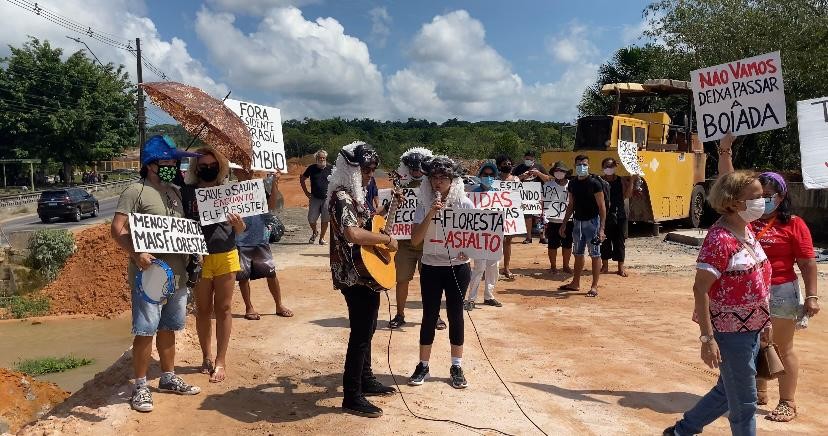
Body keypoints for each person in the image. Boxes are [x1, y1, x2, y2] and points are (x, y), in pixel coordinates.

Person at [717, 133, 820, 423]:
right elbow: (728, 183)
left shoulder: (794, 224)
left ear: (782, 196)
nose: (764, 199)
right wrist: (726, 149)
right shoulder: (745, 220)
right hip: (749, 293)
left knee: (782, 347)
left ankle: (787, 401)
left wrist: (811, 296)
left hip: (781, 291)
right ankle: (759, 388)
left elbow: (808, 263)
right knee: (753, 343)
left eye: (770, 194)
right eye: (760, 194)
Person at [664, 170, 771, 436]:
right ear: (734, 203)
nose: (763, 201)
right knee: (745, 403)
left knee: (728, 390)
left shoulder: (746, 231)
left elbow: (758, 281)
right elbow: (700, 289)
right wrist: (707, 339)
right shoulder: (719, 240)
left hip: (752, 329)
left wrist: (765, 322)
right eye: (757, 197)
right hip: (731, 333)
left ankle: (682, 431)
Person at [110, 135, 202, 413]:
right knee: (145, 330)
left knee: (169, 328)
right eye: (168, 160)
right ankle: (140, 385)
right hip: (148, 276)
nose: (174, 164)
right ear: (151, 165)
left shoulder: (174, 191)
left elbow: (183, 229)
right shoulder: (135, 191)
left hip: (178, 274)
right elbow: (117, 230)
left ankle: (168, 376)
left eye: (175, 161)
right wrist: (136, 254)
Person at [327, 141, 398, 418]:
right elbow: (353, 234)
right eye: (365, 169)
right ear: (350, 169)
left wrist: (386, 210)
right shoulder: (342, 196)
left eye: (372, 169)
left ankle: (365, 378)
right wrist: (387, 239)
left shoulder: (355, 196)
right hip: (353, 274)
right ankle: (352, 395)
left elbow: (365, 222)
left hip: (364, 271)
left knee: (367, 329)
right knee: (360, 334)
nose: (370, 174)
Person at [408, 155, 474, 390]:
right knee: (429, 316)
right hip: (431, 267)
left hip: (457, 268)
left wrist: (469, 251)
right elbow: (415, 240)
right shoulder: (424, 204)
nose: (438, 182)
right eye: (434, 178)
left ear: (452, 180)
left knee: (456, 316)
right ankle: (423, 365)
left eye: (444, 178)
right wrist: (431, 214)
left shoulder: (465, 204)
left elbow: (473, 239)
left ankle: (456, 365)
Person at [182, 147, 246, 383]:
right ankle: (206, 356)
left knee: (225, 309)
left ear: (220, 167)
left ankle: (221, 360)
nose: (208, 169)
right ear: (195, 168)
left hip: (226, 255)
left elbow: (241, 230)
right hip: (199, 258)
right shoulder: (187, 192)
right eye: (203, 166)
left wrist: (238, 224)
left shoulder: (230, 191)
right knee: (203, 310)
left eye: (212, 165)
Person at [386, 148, 448, 330]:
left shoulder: (432, 186)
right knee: (402, 279)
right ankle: (400, 314)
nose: (415, 171)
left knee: (431, 282)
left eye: (418, 168)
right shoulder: (399, 185)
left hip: (428, 240)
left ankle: (434, 315)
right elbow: (390, 210)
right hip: (405, 241)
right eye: (412, 168)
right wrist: (394, 199)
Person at [233, 168, 293, 321]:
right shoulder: (230, 192)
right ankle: (249, 307)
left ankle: (279, 304)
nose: (247, 172)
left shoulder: (258, 188)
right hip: (240, 240)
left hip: (260, 237)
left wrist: (274, 184)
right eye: (242, 170)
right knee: (243, 277)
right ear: (234, 171)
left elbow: (272, 206)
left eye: (249, 170)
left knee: (271, 274)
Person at [558, 155, 606, 297]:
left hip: (593, 222)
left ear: (589, 165)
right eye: (579, 164)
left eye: (584, 164)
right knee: (578, 253)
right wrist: (564, 223)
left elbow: (602, 207)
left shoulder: (595, 183)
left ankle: (594, 286)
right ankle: (575, 283)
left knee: (595, 254)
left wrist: (602, 228)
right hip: (577, 222)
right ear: (575, 165)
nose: (581, 167)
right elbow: (571, 205)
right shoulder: (572, 184)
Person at [465, 162, 502, 310]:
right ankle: (471, 298)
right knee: (479, 267)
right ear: (480, 176)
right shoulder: (472, 194)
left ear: (495, 177)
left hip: (494, 238)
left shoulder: (500, 195)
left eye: (491, 175)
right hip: (478, 238)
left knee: (493, 267)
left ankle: (489, 296)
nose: (488, 177)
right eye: (485, 175)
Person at [600, 157, 638, 277]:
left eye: (611, 166)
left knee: (620, 241)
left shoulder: (620, 180)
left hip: (619, 215)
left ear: (615, 167)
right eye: (606, 166)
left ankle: (620, 268)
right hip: (604, 215)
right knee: (604, 241)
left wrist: (631, 180)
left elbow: (627, 195)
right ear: (602, 168)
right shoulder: (600, 181)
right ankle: (604, 266)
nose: (608, 169)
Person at [512, 150, 549, 244]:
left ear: (534, 159)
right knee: (527, 217)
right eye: (526, 158)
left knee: (540, 217)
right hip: (524, 196)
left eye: (530, 158)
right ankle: (528, 237)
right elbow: (512, 179)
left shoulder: (539, 167)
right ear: (524, 158)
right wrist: (521, 176)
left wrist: (539, 174)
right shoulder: (519, 167)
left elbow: (548, 179)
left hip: (538, 196)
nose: (528, 160)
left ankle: (542, 236)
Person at [544, 161, 573, 274]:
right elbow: (541, 200)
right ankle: (553, 266)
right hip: (552, 220)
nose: (559, 173)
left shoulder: (571, 185)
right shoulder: (548, 186)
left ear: (566, 173)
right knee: (552, 245)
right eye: (557, 171)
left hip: (569, 220)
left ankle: (566, 266)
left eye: (561, 171)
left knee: (567, 244)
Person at [301, 150, 334, 245]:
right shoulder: (311, 168)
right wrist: (306, 192)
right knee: (311, 219)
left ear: (326, 158)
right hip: (314, 198)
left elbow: (337, 181)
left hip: (327, 199)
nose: (322, 159)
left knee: (325, 219)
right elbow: (302, 179)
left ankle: (322, 238)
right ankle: (315, 232)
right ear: (316, 159)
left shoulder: (331, 168)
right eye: (320, 158)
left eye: (323, 158)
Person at [495, 154, 519, 279]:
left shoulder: (516, 180)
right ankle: (494, 268)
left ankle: (507, 267)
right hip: (496, 214)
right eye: (504, 164)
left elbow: (520, 197)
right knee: (495, 240)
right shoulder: (494, 180)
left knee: (508, 241)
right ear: (499, 166)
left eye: (509, 163)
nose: (507, 166)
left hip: (510, 215)